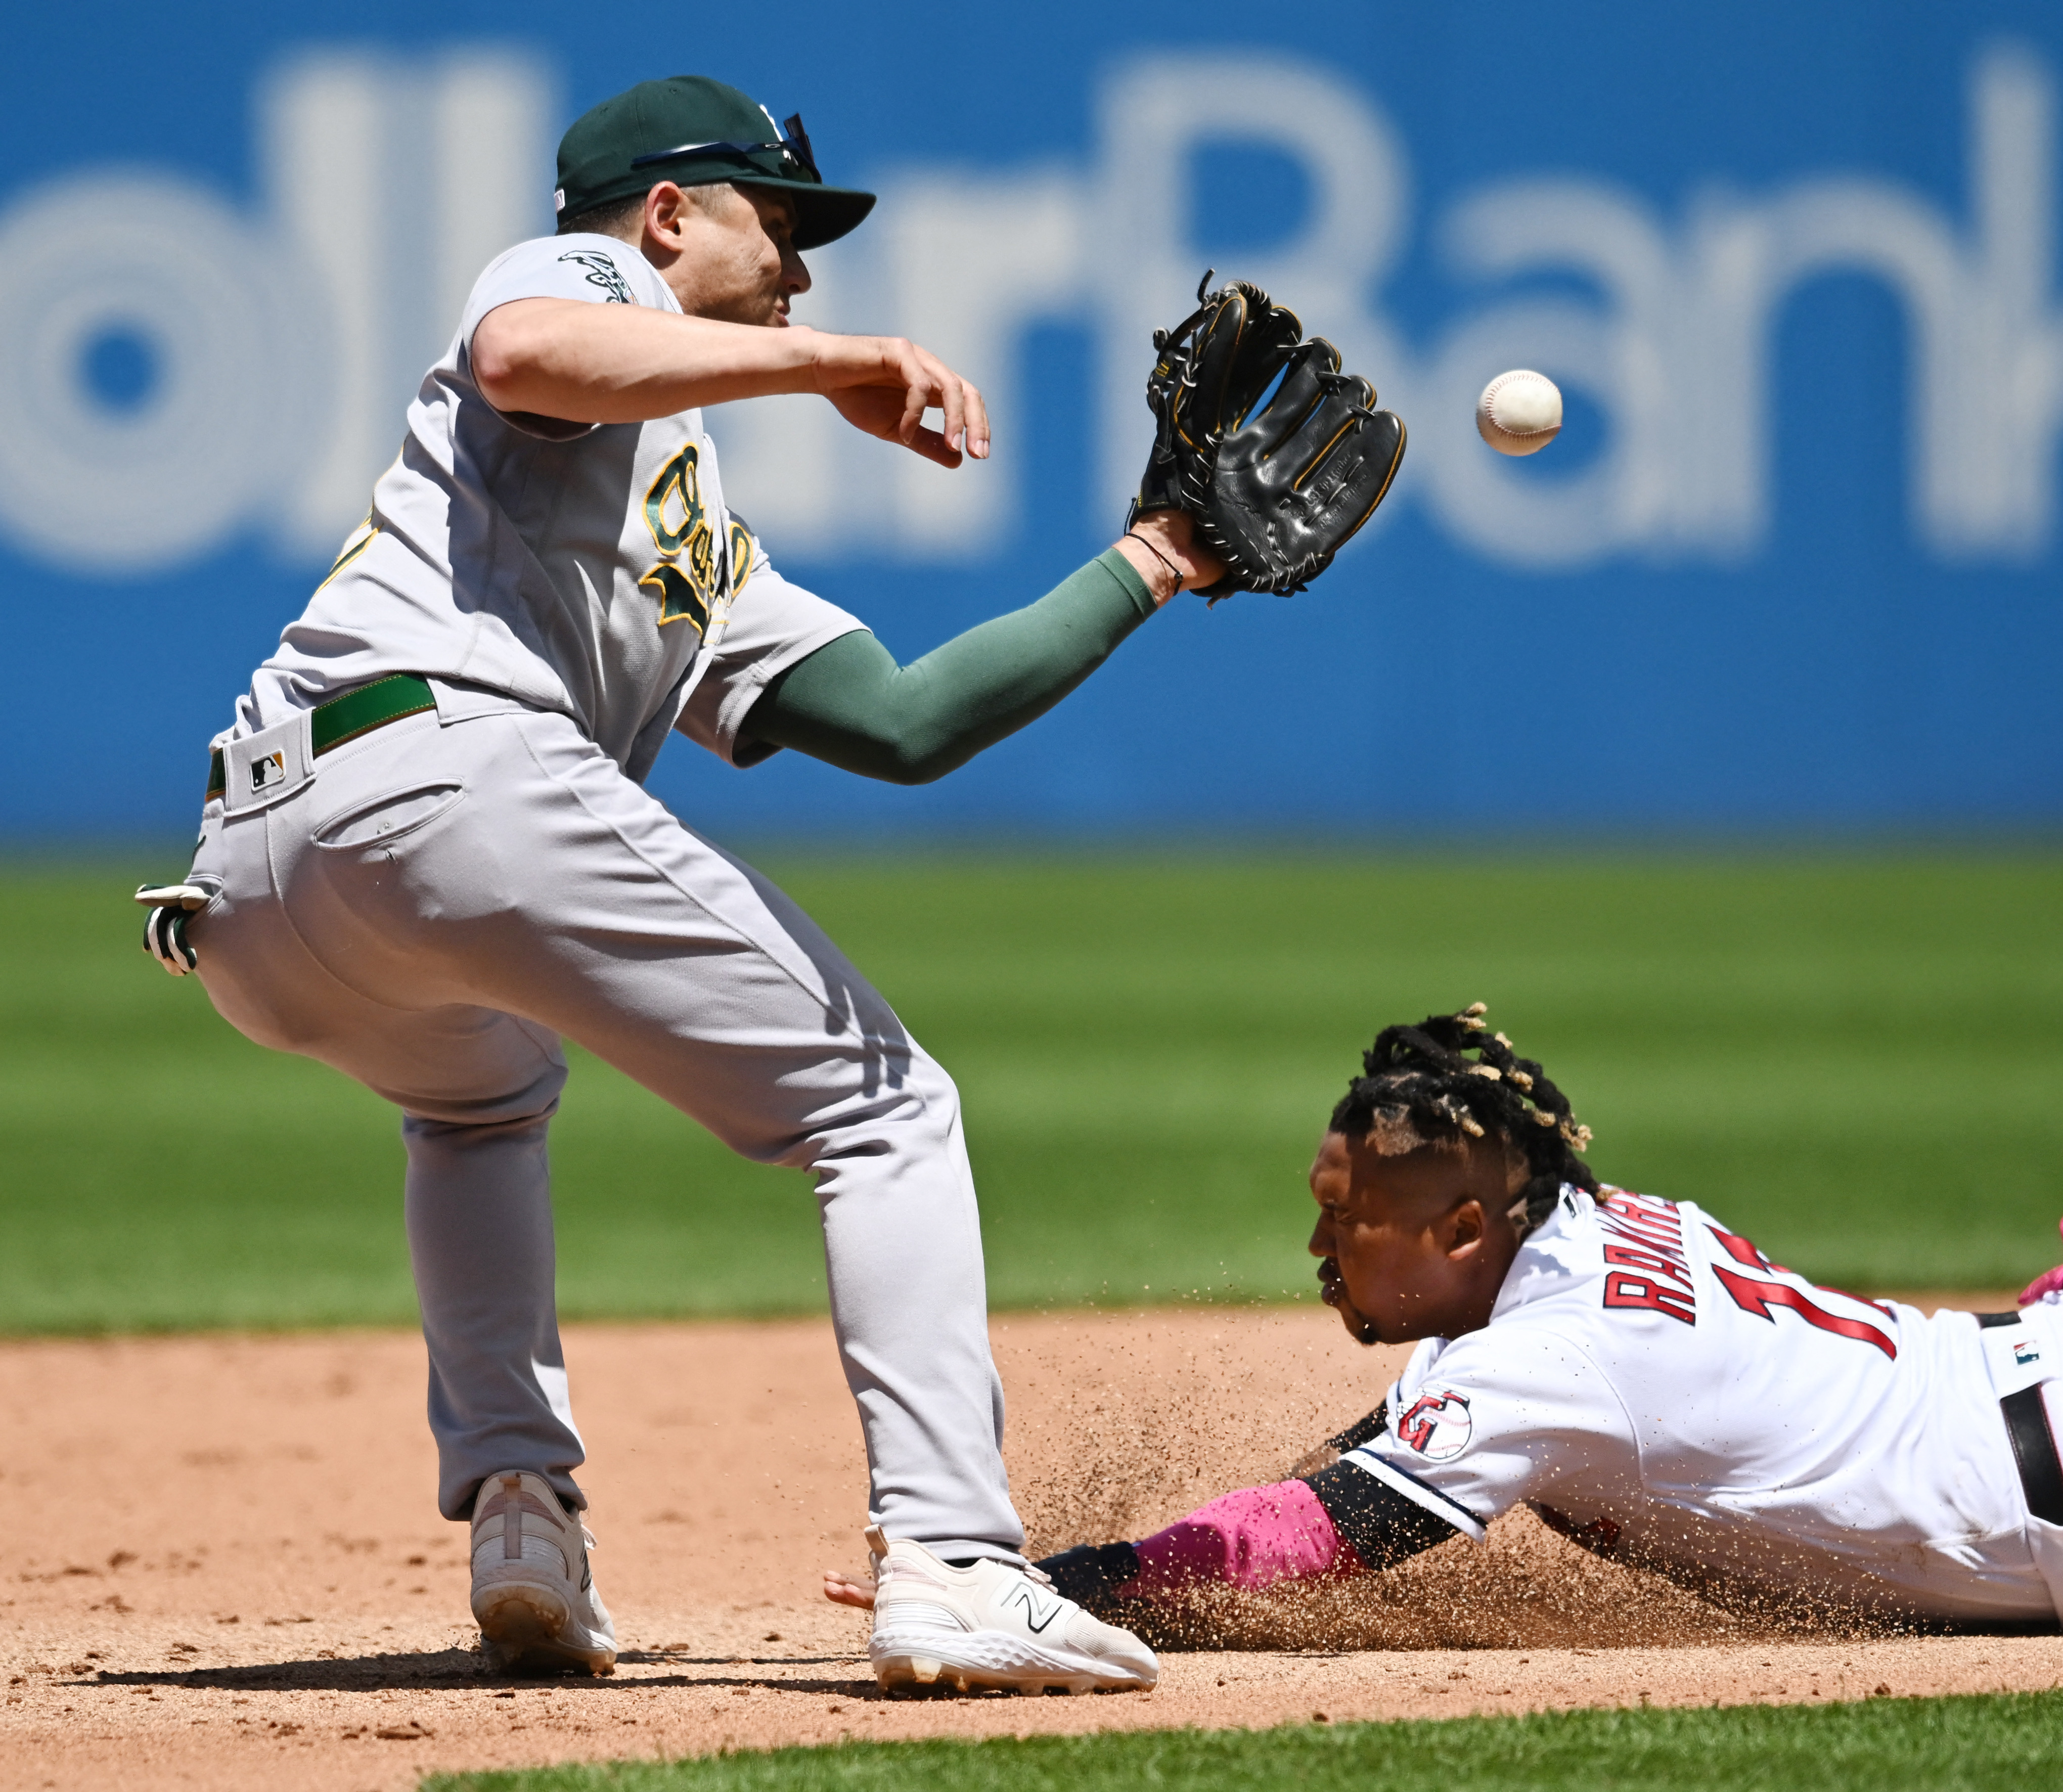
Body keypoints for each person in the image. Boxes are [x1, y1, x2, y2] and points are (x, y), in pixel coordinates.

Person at [133, 74, 1306, 1696]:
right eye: (785, 227)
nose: (807, 274)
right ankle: (957, 1564)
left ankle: (520, 1510)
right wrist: (836, 369)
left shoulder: (689, 536)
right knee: (884, 1110)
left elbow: (907, 722)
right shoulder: (582, 277)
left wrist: (1160, 556)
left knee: (479, 1104)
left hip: (254, 885)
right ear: (670, 215)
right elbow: (529, 356)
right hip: (445, 774)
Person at [832, 1005, 2063, 1633]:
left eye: (1356, 1219)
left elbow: (1330, 1526)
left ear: (1468, 1221)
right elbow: (1404, 1454)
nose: (1326, 1251)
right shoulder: (1597, 1228)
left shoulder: (1544, 1362)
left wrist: (1078, 1576)